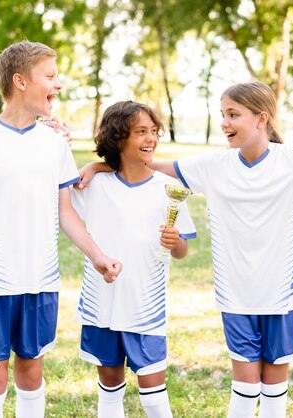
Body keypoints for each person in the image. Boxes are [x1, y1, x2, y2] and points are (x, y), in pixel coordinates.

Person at [79, 82, 293, 418]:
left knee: (274, 386)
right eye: (222, 114)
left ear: (261, 118)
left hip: (284, 295)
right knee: (244, 386)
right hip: (235, 295)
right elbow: (148, 166)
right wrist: (99, 166)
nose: (225, 122)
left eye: (233, 115)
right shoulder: (214, 165)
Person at [0, 41, 122, 418]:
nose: (59, 84)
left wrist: (99, 256)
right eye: (50, 76)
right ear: (20, 81)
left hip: (41, 278)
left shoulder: (54, 141)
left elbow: (65, 212)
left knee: (32, 370)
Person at [71, 101, 196, 418]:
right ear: (118, 138)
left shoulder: (169, 189)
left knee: (153, 394)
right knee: (110, 386)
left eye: (154, 131)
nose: (151, 138)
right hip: (102, 303)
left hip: (145, 306)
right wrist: (95, 166)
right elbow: (62, 201)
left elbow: (182, 252)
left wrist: (175, 241)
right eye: (141, 132)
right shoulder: (95, 185)